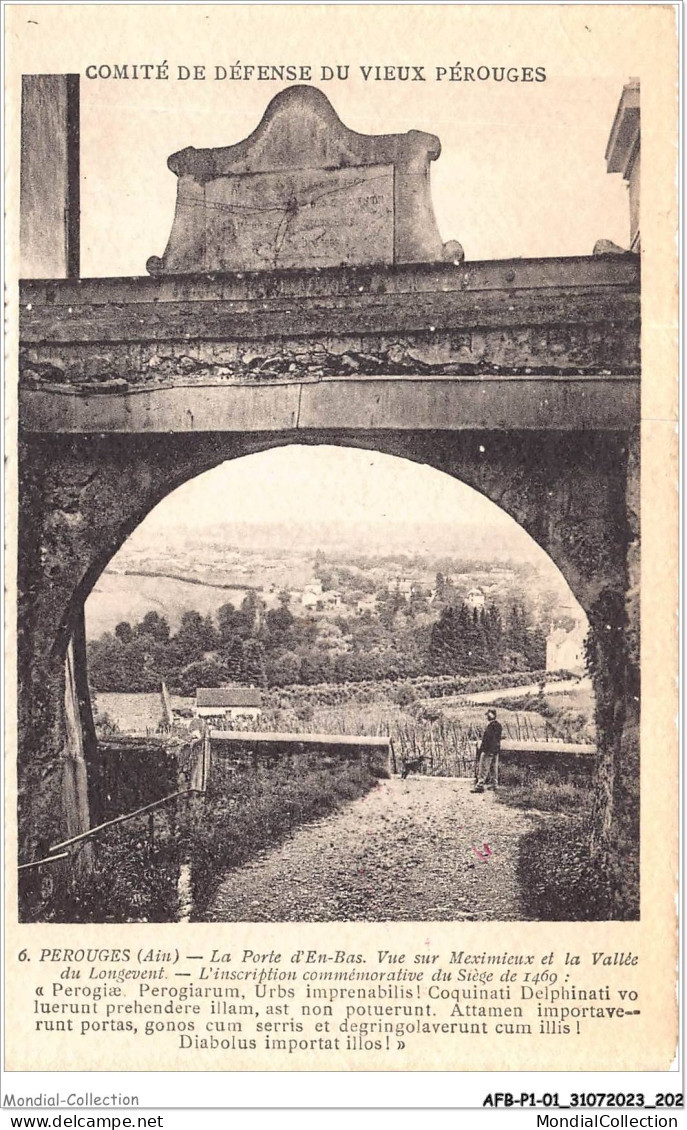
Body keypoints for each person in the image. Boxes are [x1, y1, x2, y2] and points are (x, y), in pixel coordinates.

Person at [471, 709, 502, 793]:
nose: (487, 716)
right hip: (495, 749)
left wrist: (482, 749)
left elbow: (487, 739)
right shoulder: (498, 725)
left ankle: (479, 786)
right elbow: (498, 739)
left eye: (488, 715)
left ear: (492, 715)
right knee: (493, 768)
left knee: (483, 768)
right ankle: (494, 785)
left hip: (488, 750)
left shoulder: (491, 726)